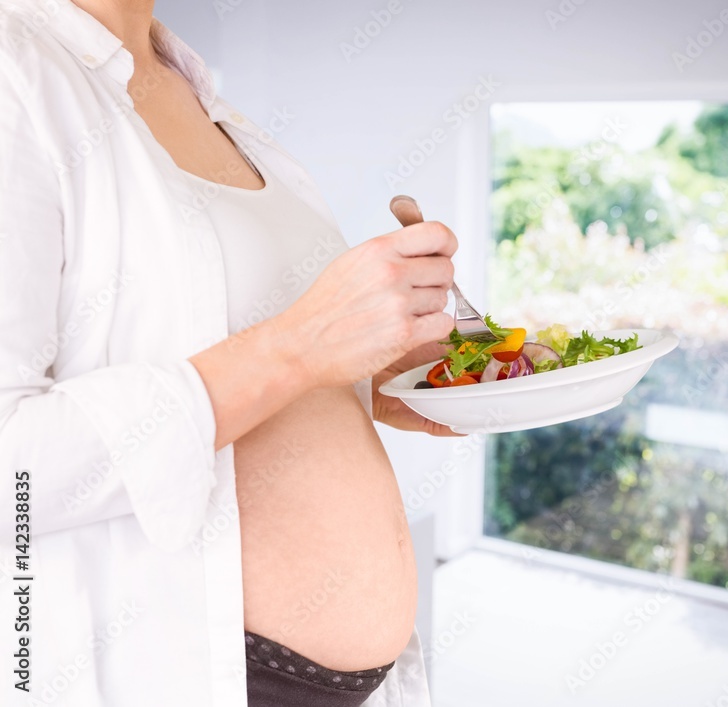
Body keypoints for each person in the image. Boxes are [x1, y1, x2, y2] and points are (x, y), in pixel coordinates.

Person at [0, 0, 459, 704]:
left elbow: (225, 342)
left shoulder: (193, 89)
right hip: (200, 670)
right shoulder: (16, 67)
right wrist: (302, 347)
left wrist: (372, 371)